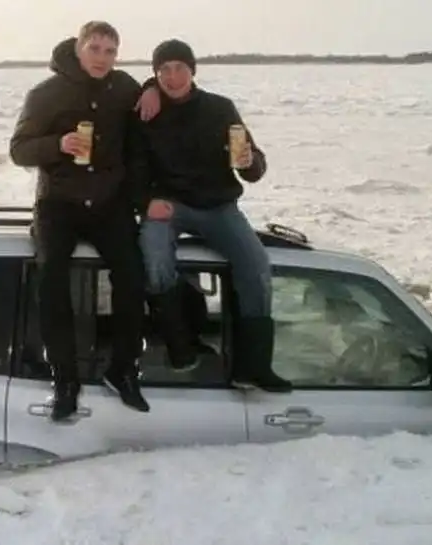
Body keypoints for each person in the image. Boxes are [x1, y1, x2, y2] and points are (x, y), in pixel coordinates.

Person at [8, 21, 161, 421]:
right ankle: (65, 379)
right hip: (59, 203)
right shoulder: (47, 93)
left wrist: (151, 87)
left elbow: (151, 96)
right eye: (95, 49)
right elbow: (19, 150)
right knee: (52, 280)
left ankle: (122, 369)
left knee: (132, 276)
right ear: (78, 49)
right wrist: (57, 144)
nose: (102, 58)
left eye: (110, 51)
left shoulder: (123, 87)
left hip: (109, 203)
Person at [133, 39, 292, 392]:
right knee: (155, 261)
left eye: (180, 68)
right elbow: (131, 168)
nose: (172, 77)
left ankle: (253, 367)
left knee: (256, 266)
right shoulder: (146, 114)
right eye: (164, 70)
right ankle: (181, 349)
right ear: (155, 74)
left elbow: (254, 167)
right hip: (168, 206)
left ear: (193, 71)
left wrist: (250, 162)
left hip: (218, 207)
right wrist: (145, 202)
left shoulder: (220, 109)